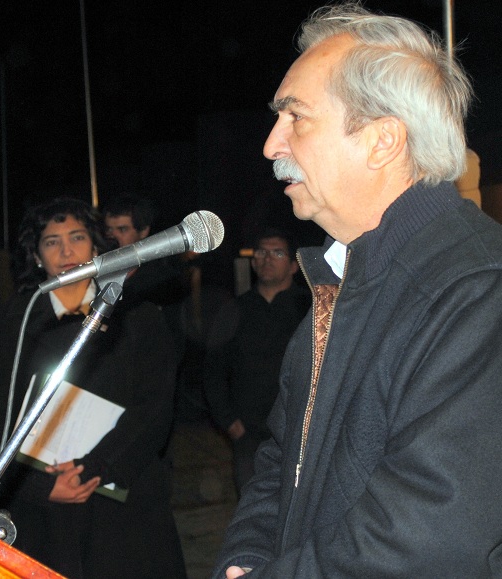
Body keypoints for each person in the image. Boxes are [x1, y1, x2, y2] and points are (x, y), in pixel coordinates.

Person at [213, 3, 502, 577]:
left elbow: (427, 536)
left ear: (382, 140)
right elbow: (281, 461)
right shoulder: (339, 277)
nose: (272, 145)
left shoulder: (476, 289)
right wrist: (245, 558)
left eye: (296, 117)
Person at [0, 197, 186, 579]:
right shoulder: (11, 324)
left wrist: (95, 467)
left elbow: (154, 409)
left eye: (77, 237)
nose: (66, 251)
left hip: (122, 500)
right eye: (51, 241)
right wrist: (38, 487)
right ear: (36, 255)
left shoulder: (138, 317)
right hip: (42, 509)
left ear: (97, 247)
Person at [204, 228, 311, 494]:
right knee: (252, 504)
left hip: (300, 433)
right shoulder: (235, 310)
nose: (267, 259)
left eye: (277, 253)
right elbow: (213, 369)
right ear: (253, 262)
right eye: (261, 252)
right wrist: (229, 421)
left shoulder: (309, 310)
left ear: (293, 265)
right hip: (249, 434)